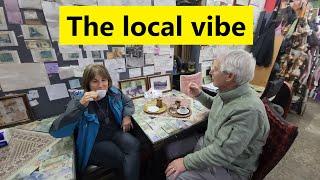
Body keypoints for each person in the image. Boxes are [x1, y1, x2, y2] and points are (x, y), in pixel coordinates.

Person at [165, 49, 270, 180]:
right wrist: (199, 94)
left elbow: (222, 153)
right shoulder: (230, 90)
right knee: (170, 150)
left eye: (215, 69)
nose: (210, 72)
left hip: (229, 167)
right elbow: (216, 104)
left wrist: (185, 162)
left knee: (175, 177)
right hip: (210, 144)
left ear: (229, 76)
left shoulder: (248, 111)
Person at [49, 64, 140, 180]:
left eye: (104, 80)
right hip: (94, 142)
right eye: (95, 81)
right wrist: (80, 106)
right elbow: (57, 132)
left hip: (114, 133)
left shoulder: (113, 93)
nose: (101, 85)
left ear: (108, 81)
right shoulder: (79, 101)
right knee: (121, 157)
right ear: (88, 84)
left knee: (134, 144)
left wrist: (127, 116)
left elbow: (127, 102)